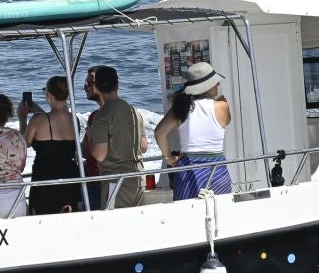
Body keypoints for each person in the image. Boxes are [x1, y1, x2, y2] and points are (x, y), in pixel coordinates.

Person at [156, 61, 234, 199]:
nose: (218, 84)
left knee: (188, 215)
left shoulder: (181, 108)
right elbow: (226, 121)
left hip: (189, 170)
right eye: (215, 82)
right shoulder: (222, 106)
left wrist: (168, 158)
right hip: (217, 170)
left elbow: (159, 133)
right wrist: (222, 102)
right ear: (207, 86)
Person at [83, 65, 146, 208]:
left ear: (97, 86)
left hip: (116, 181)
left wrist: (91, 137)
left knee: (117, 226)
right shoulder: (133, 111)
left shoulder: (102, 116)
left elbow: (99, 155)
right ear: (117, 85)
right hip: (138, 177)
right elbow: (143, 147)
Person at [23, 76, 82, 214]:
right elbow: (56, 123)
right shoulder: (75, 120)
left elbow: (24, 143)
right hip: (69, 178)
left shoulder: (38, 120)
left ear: (49, 94)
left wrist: (22, 118)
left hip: (45, 179)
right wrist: (38, 110)